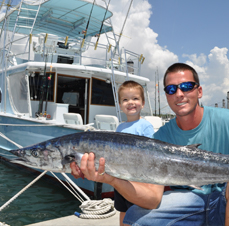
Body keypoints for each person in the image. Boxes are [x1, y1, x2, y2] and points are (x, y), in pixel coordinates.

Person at [70, 62, 229, 226]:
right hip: (193, 201)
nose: (179, 94)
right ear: (167, 95)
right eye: (171, 89)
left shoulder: (225, 120)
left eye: (187, 86)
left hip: (224, 197)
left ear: (199, 91)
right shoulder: (160, 138)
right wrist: (111, 179)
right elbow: (153, 199)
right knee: (135, 219)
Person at [114, 80, 155, 225]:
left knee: (136, 211)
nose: (130, 102)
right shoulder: (120, 127)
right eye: (125, 99)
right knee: (122, 209)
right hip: (120, 176)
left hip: (137, 179)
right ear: (120, 105)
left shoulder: (145, 126)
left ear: (143, 103)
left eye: (135, 98)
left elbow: (150, 153)